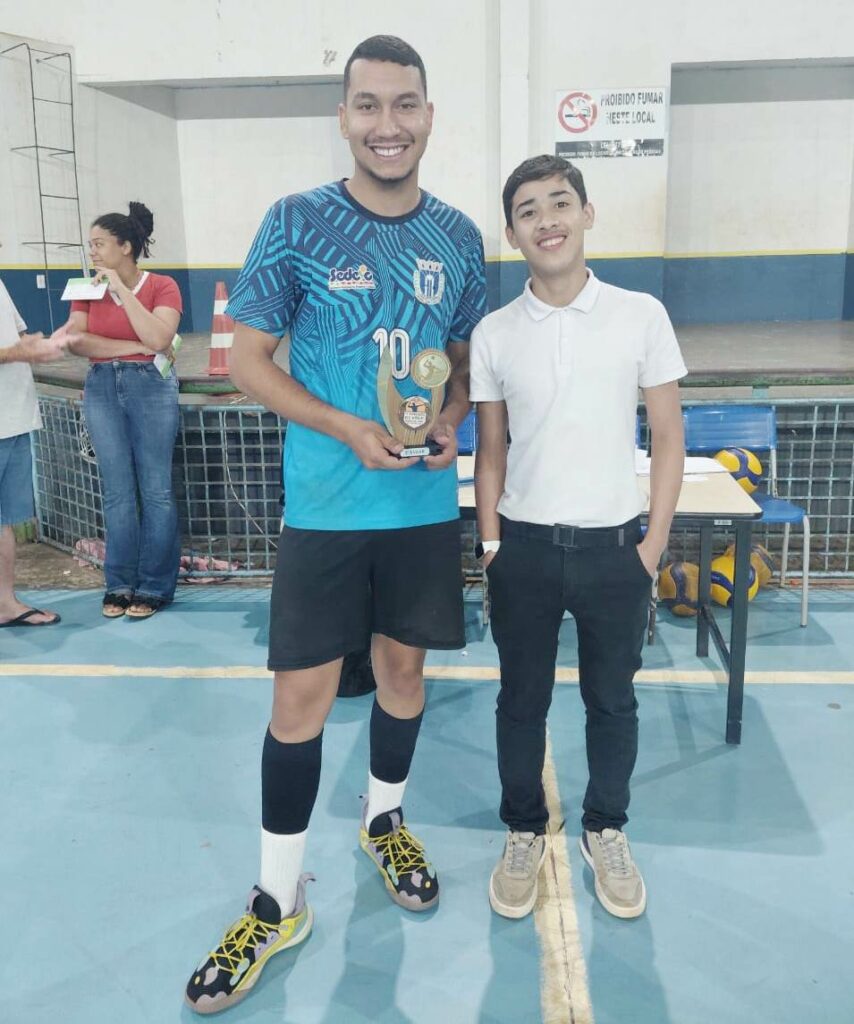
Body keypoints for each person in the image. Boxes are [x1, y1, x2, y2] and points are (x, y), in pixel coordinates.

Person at [184, 35, 486, 1015]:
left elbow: (459, 357)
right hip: (323, 507)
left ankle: (383, 819)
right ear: (345, 117)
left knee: (404, 676)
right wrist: (340, 425)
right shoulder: (296, 223)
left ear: (428, 116)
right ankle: (275, 901)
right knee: (298, 705)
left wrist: (446, 419)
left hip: (418, 511)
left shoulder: (458, 236)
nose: (386, 125)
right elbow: (246, 361)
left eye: (404, 105)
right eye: (367, 106)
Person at [470, 155, 686, 922]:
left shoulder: (641, 315)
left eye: (560, 203)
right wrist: (492, 546)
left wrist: (651, 546)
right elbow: (491, 450)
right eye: (528, 210)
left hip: (614, 552)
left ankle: (606, 828)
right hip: (523, 550)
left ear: (587, 214)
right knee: (519, 703)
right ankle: (523, 829)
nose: (546, 220)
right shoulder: (494, 334)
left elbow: (667, 437)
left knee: (613, 703)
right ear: (512, 233)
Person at [66, 202, 183, 620]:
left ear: (126, 247)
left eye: (99, 244)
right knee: (116, 492)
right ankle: (118, 582)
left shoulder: (162, 286)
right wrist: (132, 349)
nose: (92, 252)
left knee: (156, 491)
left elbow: (159, 334)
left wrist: (122, 292)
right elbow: (77, 343)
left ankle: (154, 585)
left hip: (150, 386)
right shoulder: (84, 288)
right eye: (90, 245)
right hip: (101, 386)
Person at [0, 268, 67, 628]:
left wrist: (43, 347)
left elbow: (19, 337)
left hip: (13, 417)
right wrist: (17, 352)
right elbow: (12, 348)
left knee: (4, 521)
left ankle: (4, 602)